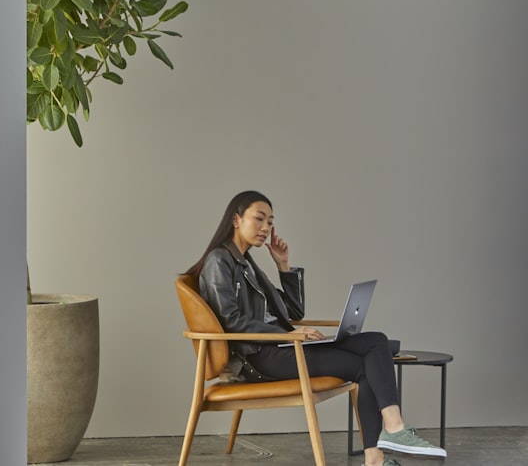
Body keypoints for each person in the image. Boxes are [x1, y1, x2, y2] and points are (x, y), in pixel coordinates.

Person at [186, 190, 445, 466]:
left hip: (279, 346)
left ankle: (393, 430)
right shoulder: (219, 261)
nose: (266, 228)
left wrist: (284, 267)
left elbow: (293, 313)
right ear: (236, 219)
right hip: (259, 358)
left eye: (270, 222)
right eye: (259, 219)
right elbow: (231, 321)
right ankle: (377, 456)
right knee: (364, 366)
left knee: (377, 342)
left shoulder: (247, 262)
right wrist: (287, 335)